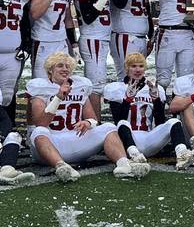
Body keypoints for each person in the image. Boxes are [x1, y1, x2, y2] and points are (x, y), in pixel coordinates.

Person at [26, 53, 149, 182]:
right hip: (51, 143)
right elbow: (41, 122)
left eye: (68, 66)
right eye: (60, 66)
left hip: (76, 138)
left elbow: (93, 118)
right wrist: (58, 98)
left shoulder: (80, 85)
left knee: (109, 127)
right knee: (38, 131)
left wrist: (87, 123)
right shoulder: (40, 87)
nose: (65, 69)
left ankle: (124, 165)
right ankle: (61, 167)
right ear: (50, 70)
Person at [103, 53, 194, 170]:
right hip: (128, 139)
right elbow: (118, 121)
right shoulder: (116, 88)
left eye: (141, 66)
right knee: (122, 123)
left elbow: (160, 122)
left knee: (174, 121)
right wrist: (127, 100)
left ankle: (182, 154)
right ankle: (134, 156)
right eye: (133, 66)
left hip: (149, 137)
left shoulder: (155, 88)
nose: (137, 70)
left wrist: (156, 100)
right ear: (126, 68)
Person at [73, 0, 115, 115]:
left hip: (101, 38)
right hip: (93, 38)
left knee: (98, 83)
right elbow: (88, 16)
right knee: (96, 85)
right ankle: (94, 123)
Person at [26, 0, 75, 79]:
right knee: (41, 82)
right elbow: (35, 13)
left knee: (62, 80)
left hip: (61, 39)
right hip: (42, 39)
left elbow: (68, 18)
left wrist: (74, 43)